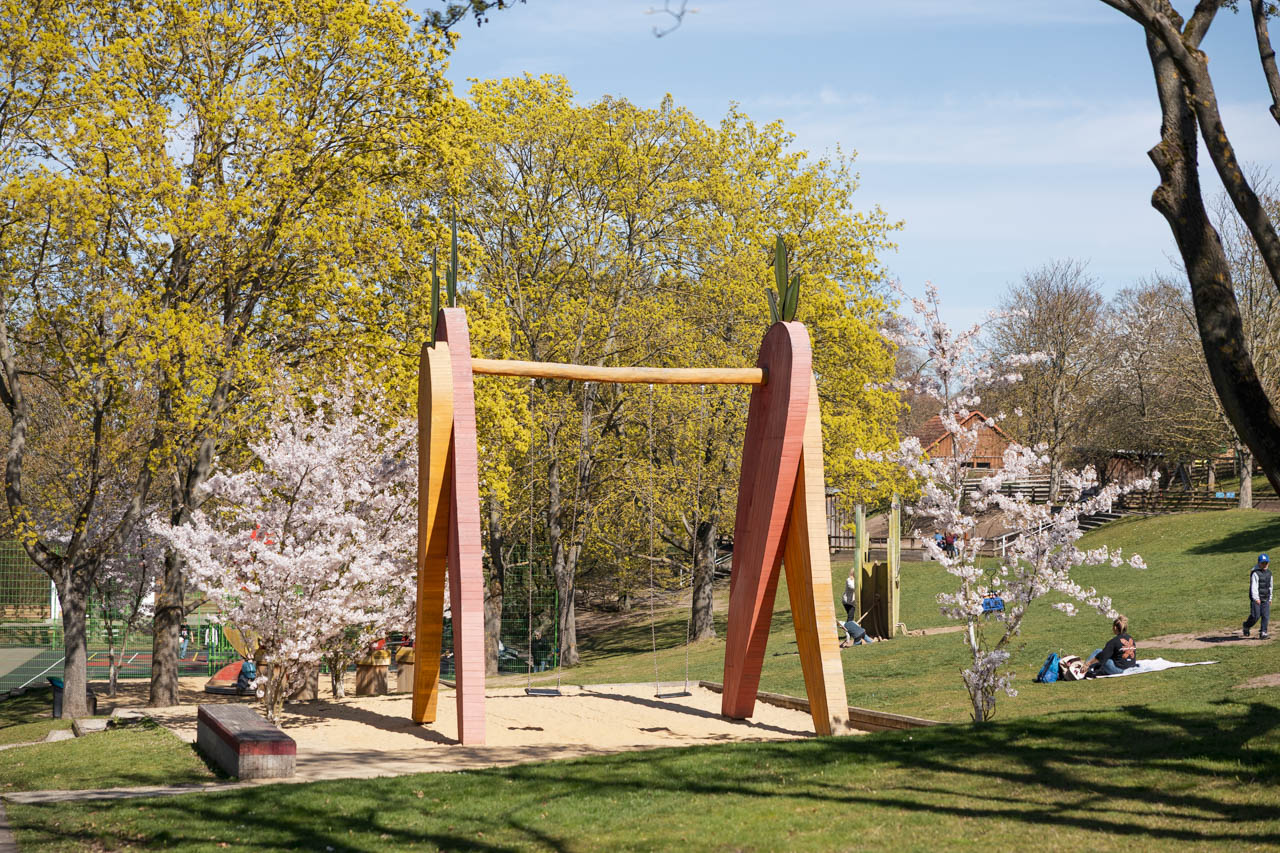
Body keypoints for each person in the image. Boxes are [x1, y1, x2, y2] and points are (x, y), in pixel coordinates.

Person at [838, 577, 875, 648]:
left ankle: (859, 643)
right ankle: (871, 643)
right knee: (868, 640)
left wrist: (847, 641)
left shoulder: (846, 628)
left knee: (855, 646)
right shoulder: (851, 622)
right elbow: (856, 625)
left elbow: (848, 636)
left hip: (857, 635)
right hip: (863, 631)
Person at [1243, 553, 1272, 639]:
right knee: (1255, 616)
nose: (1264, 565)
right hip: (1256, 598)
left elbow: (1270, 586)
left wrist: (1270, 598)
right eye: (1263, 563)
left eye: (1266, 563)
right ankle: (1246, 625)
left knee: (1265, 615)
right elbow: (1254, 587)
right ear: (1259, 563)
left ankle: (1263, 632)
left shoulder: (1269, 573)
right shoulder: (1255, 573)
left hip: (1266, 597)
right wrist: (1256, 598)